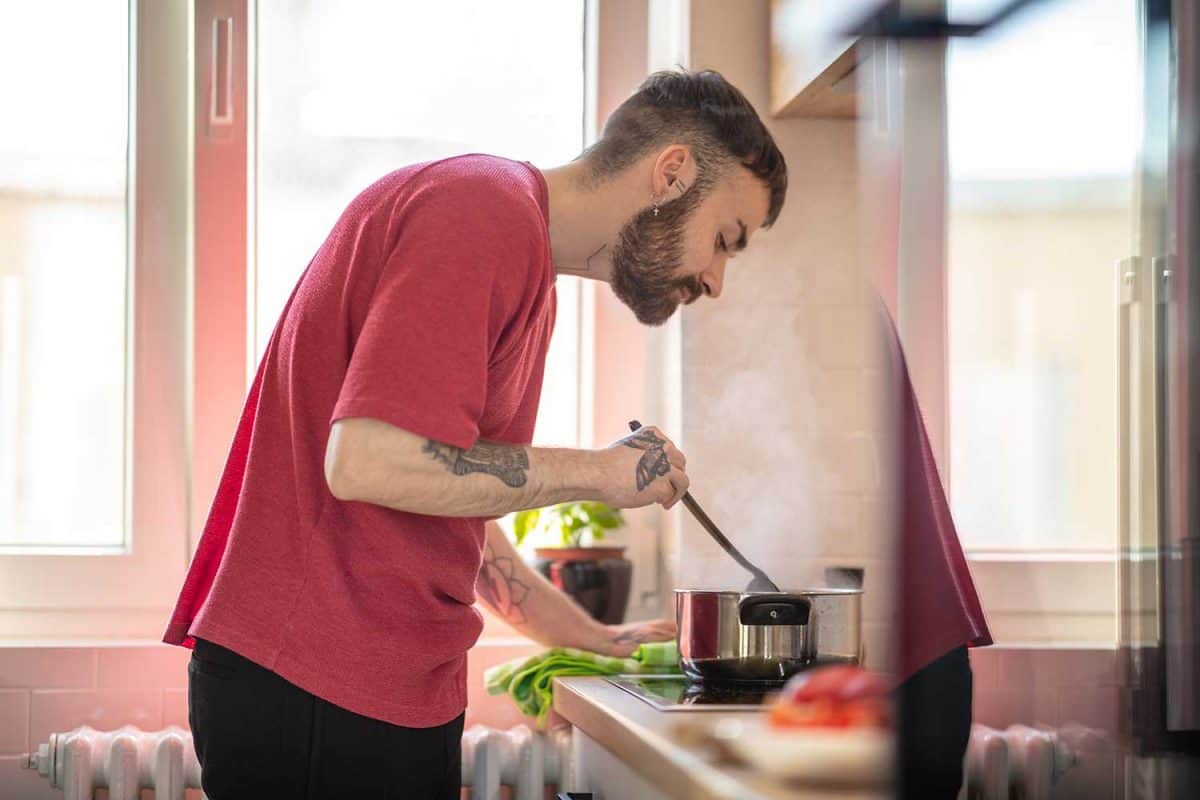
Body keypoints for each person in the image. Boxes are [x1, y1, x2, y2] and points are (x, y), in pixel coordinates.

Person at [163, 68, 788, 799]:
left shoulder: (520, 260)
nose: (715, 280)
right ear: (672, 173)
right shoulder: (481, 212)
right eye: (724, 238)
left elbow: (438, 490)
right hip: (314, 685)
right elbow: (368, 461)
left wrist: (590, 637)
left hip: (361, 688)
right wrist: (600, 473)